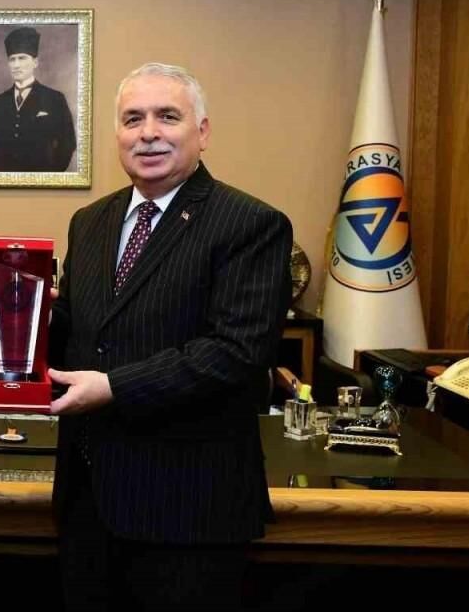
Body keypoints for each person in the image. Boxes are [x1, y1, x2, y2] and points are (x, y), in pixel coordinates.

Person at [47, 62, 292, 611]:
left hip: (187, 512)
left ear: (202, 132)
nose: (148, 133)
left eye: (167, 117)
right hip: (89, 505)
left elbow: (235, 352)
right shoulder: (91, 221)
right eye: (133, 119)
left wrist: (113, 387)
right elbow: (81, 328)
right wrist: (15, 321)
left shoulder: (249, 223)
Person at [0, 26, 76, 172]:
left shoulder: (55, 99)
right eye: (12, 59)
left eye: (22, 58)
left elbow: (68, 143)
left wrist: (51, 175)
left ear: (35, 62)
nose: (16, 65)